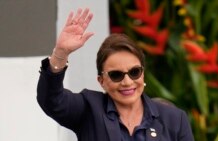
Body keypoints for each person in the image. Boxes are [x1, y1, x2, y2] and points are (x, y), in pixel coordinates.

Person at [37, 7, 194, 141]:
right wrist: (60, 54)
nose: (127, 82)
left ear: (143, 74)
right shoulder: (89, 109)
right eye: (116, 75)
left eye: (134, 72)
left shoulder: (174, 119)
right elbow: (52, 101)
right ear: (101, 81)